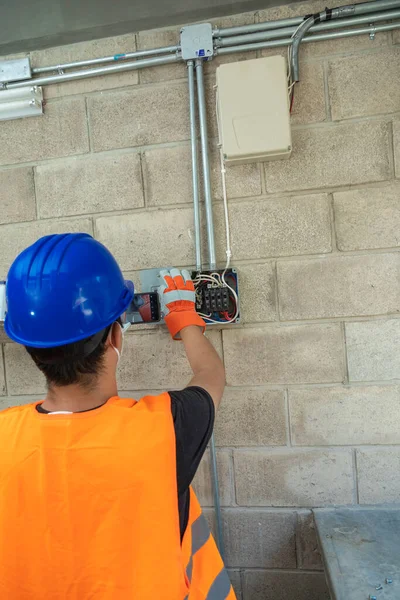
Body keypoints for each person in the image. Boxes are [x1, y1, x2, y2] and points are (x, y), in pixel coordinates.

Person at [0, 233, 236, 600]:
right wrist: (186, 319)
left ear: (31, 349)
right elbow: (211, 377)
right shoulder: (163, 429)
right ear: (115, 336)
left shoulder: (4, 436)